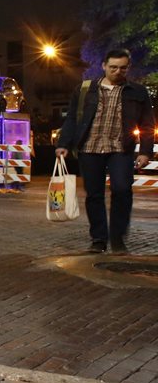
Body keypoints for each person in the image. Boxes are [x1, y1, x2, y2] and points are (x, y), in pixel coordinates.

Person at [57, 48, 155, 254]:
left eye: (122, 68)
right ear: (103, 66)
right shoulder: (85, 89)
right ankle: (99, 239)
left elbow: (147, 123)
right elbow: (73, 119)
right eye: (113, 67)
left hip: (121, 149)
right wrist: (63, 144)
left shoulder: (137, 92)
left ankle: (117, 239)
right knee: (94, 195)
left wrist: (145, 151)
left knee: (121, 190)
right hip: (90, 148)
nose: (117, 71)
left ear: (128, 68)